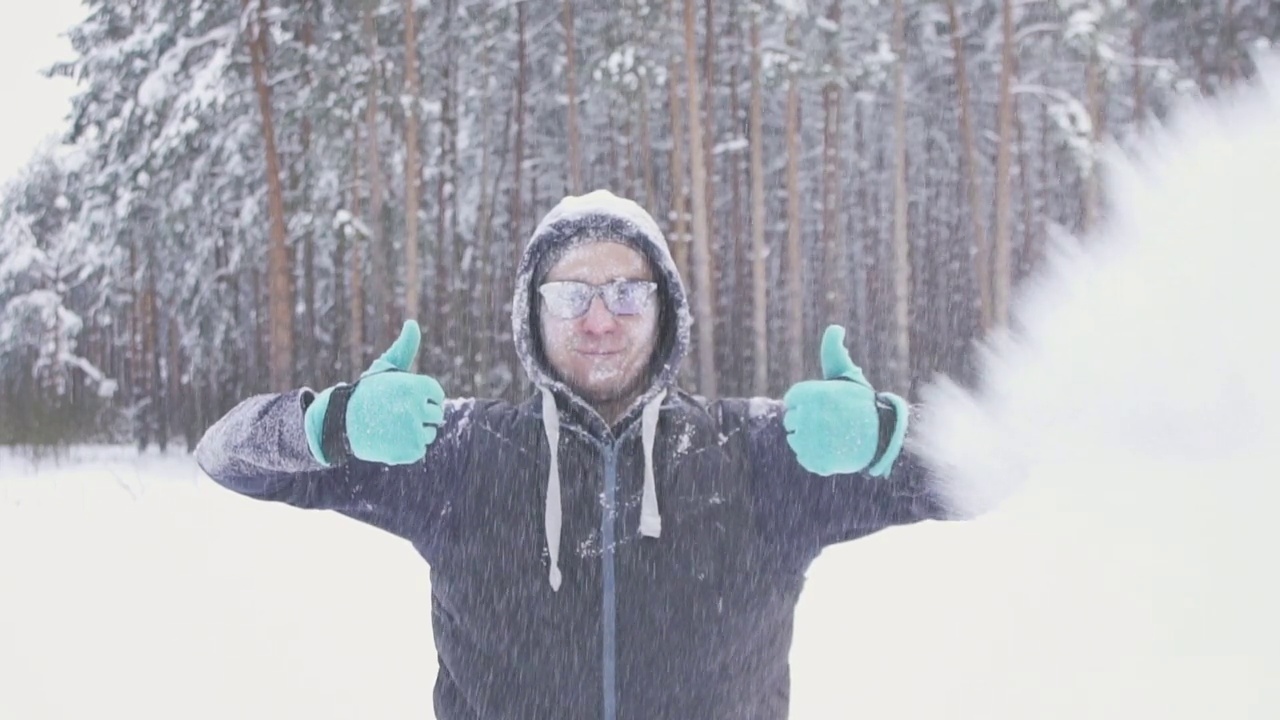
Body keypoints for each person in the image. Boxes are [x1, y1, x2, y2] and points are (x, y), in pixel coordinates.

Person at [196, 190, 960, 720]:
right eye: (571, 295)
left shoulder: (759, 456)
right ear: (533, 315)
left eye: (627, 293)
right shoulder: (457, 456)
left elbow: (987, 472)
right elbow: (226, 453)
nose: (599, 320)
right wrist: (331, 427)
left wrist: (891, 440)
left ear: (666, 313)